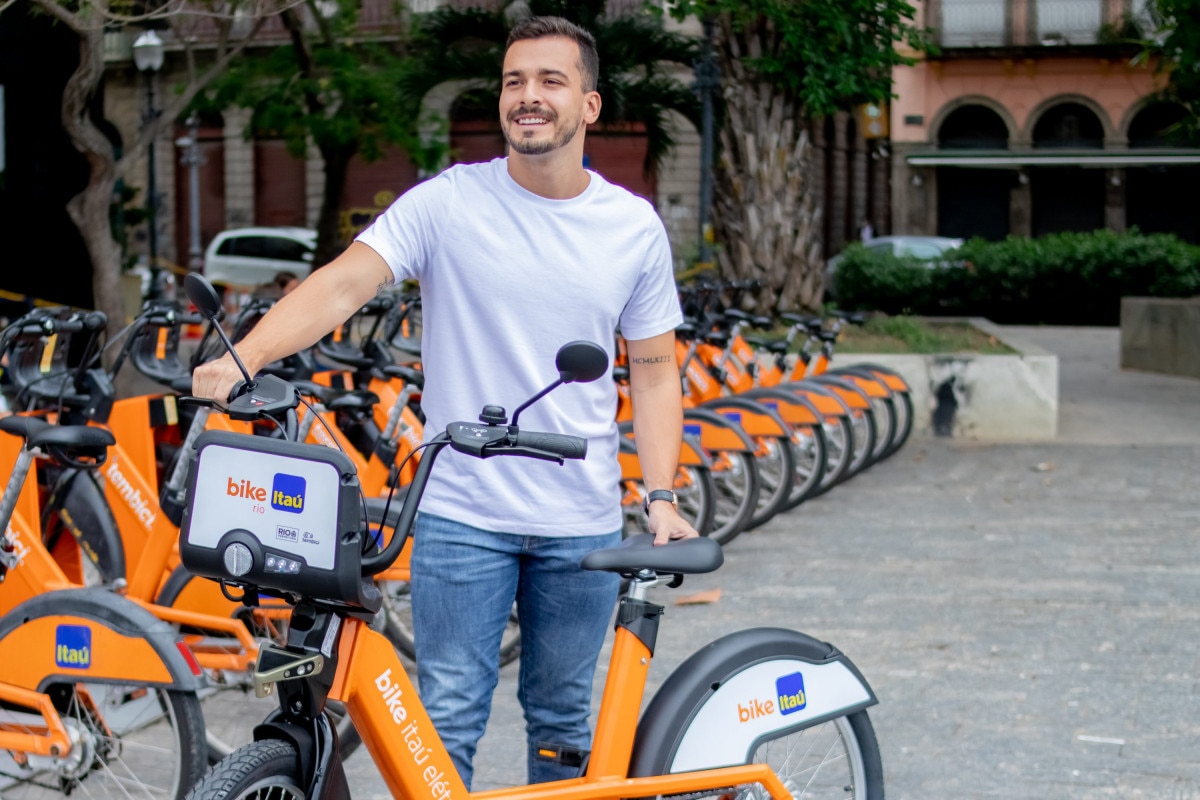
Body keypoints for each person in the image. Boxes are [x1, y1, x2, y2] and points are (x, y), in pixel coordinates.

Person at [191, 15, 698, 789]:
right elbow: (345, 281)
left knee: (562, 718)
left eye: (550, 81)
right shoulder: (448, 203)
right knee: (446, 717)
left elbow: (656, 368)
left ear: (589, 106)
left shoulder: (631, 227)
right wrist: (245, 354)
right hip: (461, 514)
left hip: (581, 520)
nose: (528, 97)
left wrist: (662, 495)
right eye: (513, 81)